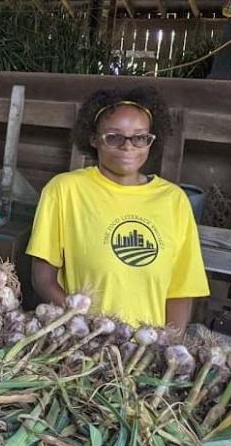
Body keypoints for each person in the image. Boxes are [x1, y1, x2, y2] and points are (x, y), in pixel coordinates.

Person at [27, 87, 209, 330]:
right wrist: (85, 327)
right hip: (83, 342)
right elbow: (43, 278)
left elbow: (181, 288)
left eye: (140, 137)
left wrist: (168, 343)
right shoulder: (65, 190)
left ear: (151, 140)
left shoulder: (174, 201)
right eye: (114, 137)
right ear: (93, 139)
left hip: (147, 350)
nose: (128, 146)